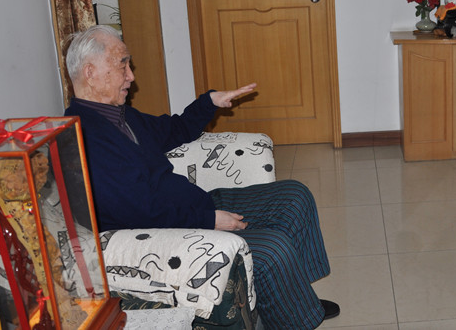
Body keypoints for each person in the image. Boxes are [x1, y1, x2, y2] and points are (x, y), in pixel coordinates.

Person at [63, 25, 339, 330]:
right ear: (90, 73)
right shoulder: (84, 139)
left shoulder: (120, 117)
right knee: (272, 248)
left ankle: (296, 300)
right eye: (122, 65)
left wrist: (209, 102)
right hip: (173, 230)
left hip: (192, 206)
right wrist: (209, 220)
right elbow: (137, 212)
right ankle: (295, 317)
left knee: (294, 197)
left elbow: (174, 130)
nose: (131, 76)